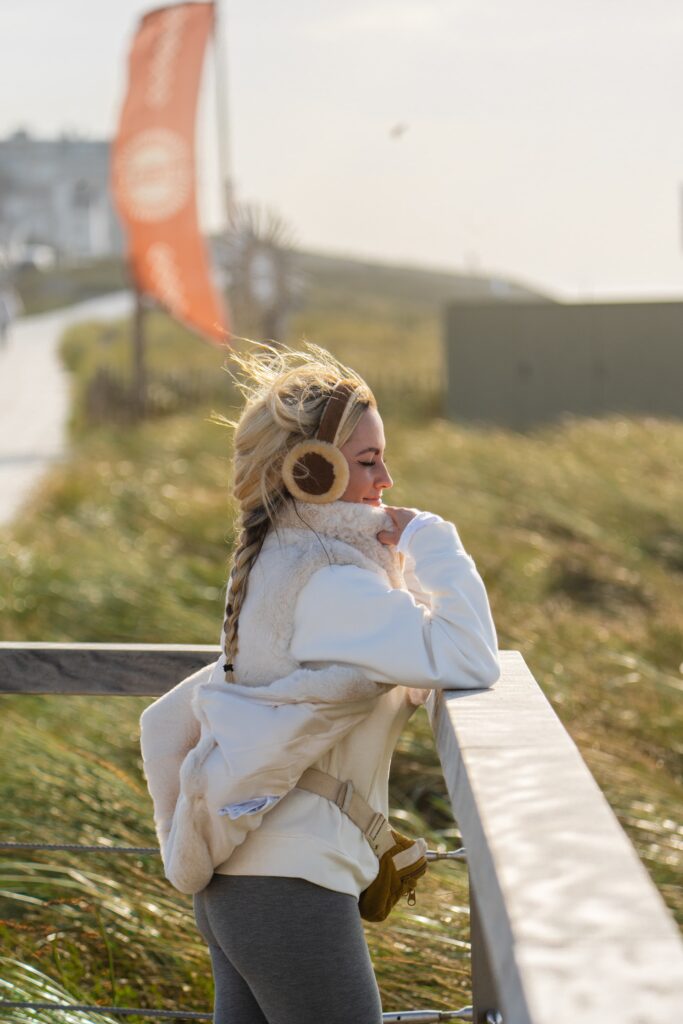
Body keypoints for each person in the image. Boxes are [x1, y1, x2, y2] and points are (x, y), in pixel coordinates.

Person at [142, 342, 500, 1024]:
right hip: (287, 888)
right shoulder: (330, 584)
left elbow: (167, 719)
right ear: (310, 471)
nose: (387, 479)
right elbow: (470, 656)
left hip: (242, 882)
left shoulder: (285, 563)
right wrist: (431, 539)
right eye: (368, 461)